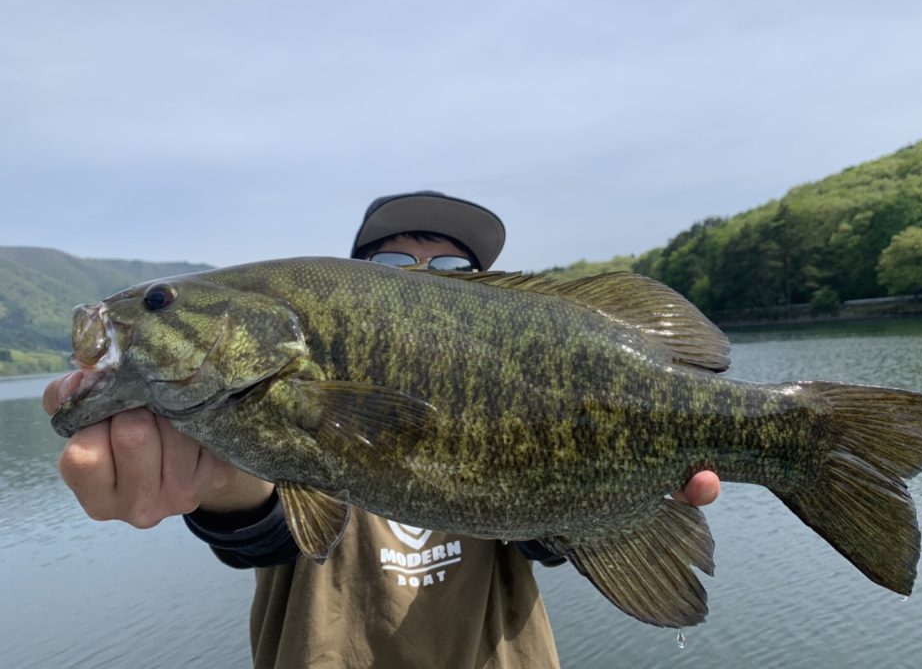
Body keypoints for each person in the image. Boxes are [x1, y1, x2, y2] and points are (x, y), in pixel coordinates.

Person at [43, 190, 721, 669]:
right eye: (394, 265)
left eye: (457, 269)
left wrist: (624, 485)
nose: (427, 277)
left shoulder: (512, 370)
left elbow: (544, 539)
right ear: (357, 283)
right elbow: (263, 522)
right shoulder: (265, 410)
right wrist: (217, 487)